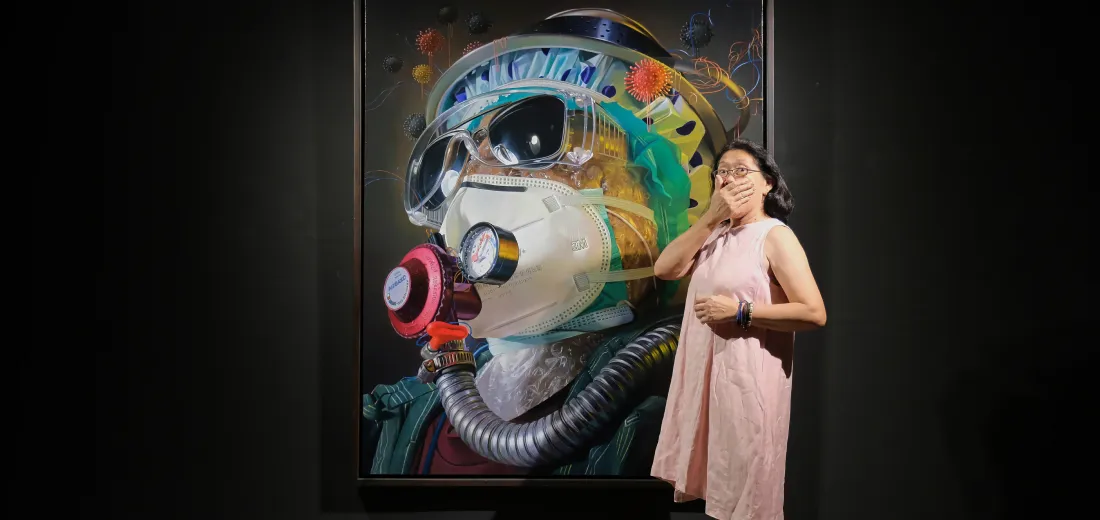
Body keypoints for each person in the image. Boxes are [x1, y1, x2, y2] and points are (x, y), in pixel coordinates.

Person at [362, 9, 761, 477]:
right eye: (447, 166)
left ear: (657, 203)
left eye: (530, 137)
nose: (470, 190)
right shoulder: (402, 415)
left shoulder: (677, 413)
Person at [650, 139, 827, 520]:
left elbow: (814, 312)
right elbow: (664, 269)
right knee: (715, 492)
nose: (730, 179)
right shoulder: (713, 235)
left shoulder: (774, 236)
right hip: (704, 385)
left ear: (767, 183)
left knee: (748, 496)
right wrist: (710, 218)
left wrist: (741, 312)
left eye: (741, 171)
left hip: (748, 387)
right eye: (723, 172)